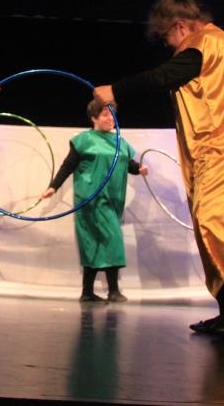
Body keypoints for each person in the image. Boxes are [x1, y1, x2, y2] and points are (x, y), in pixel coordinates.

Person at [93, 0, 224, 336]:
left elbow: (165, 75)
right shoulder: (217, 42)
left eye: (167, 38)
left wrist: (115, 90)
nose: (169, 46)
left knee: (214, 218)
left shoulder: (204, 44)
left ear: (180, 26)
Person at [40, 100, 148, 303]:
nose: (111, 118)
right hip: (90, 199)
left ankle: (87, 293)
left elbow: (128, 163)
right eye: (105, 114)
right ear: (94, 118)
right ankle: (112, 291)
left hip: (112, 200)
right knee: (108, 239)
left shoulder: (120, 142)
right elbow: (68, 165)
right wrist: (53, 187)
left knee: (97, 242)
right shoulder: (84, 140)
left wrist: (139, 169)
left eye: (112, 114)